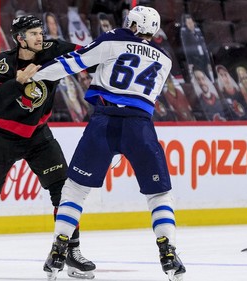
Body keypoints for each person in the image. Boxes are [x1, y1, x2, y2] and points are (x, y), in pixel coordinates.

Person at [33, 6, 186, 281]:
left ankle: (59, 249)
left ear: (135, 24)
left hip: (104, 122)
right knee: (159, 194)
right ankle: (169, 252)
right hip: (140, 127)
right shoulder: (165, 60)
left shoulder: (114, 38)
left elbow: (73, 62)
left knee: (75, 189)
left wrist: (35, 75)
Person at [0, 15, 96, 279]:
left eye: (40, 32)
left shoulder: (53, 50)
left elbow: (88, 55)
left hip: (39, 137)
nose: (40, 37)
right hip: (1, 138)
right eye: (33, 33)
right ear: (19, 39)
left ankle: (72, 251)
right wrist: (17, 83)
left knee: (64, 194)